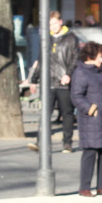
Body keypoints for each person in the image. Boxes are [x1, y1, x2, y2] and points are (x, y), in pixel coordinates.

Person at [70, 41, 102, 198]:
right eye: (99, 56)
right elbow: (76, 95)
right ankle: (84, 187)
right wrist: (90, 108)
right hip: (92, 118)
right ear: (90, 57)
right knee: (90, 151)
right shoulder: (81, 72)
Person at [28, 11, 80, 153]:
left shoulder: (71, 38)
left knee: (67, 113)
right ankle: (41, 142)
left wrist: (68, 74)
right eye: (50, 24)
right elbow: (40, 59)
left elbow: (75, 58)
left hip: (63, 81)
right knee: (45, 113)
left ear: (60, 22)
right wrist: (34, 79)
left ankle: (67, 143)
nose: (53, 26)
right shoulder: (46, 39)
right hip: (48, 81)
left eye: (55, 23)